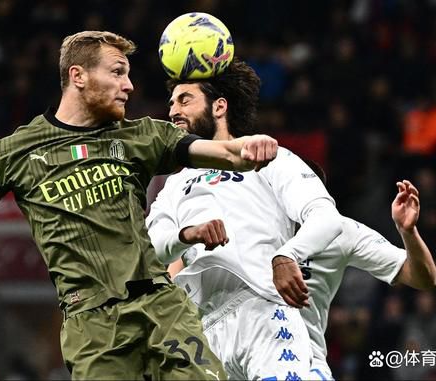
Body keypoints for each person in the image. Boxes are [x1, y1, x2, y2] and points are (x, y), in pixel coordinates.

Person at [0, 31, 280, 380]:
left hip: (162, 307)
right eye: (117, 72)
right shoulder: (11, 153)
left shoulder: (139, 136)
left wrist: (248, 148)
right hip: (91, 324)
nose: (129, 85)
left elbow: (223, 151)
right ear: (78, 76)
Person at [146, 59, 344, 381]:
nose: (173, 112)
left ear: (219, 106)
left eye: (185, 100)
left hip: (263, 311)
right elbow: (151, 250)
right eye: (171, 103)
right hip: (204, 333)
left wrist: (286, 256)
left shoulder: (269, 158)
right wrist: (186, 235)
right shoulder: (174, 185)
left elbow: (326, 217)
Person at [163, 159, 436, 380]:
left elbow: (423, 277)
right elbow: (173, 275)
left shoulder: (340, 232)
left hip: (302, 363)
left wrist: (408, 232)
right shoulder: (242, 226)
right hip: (226, 358)